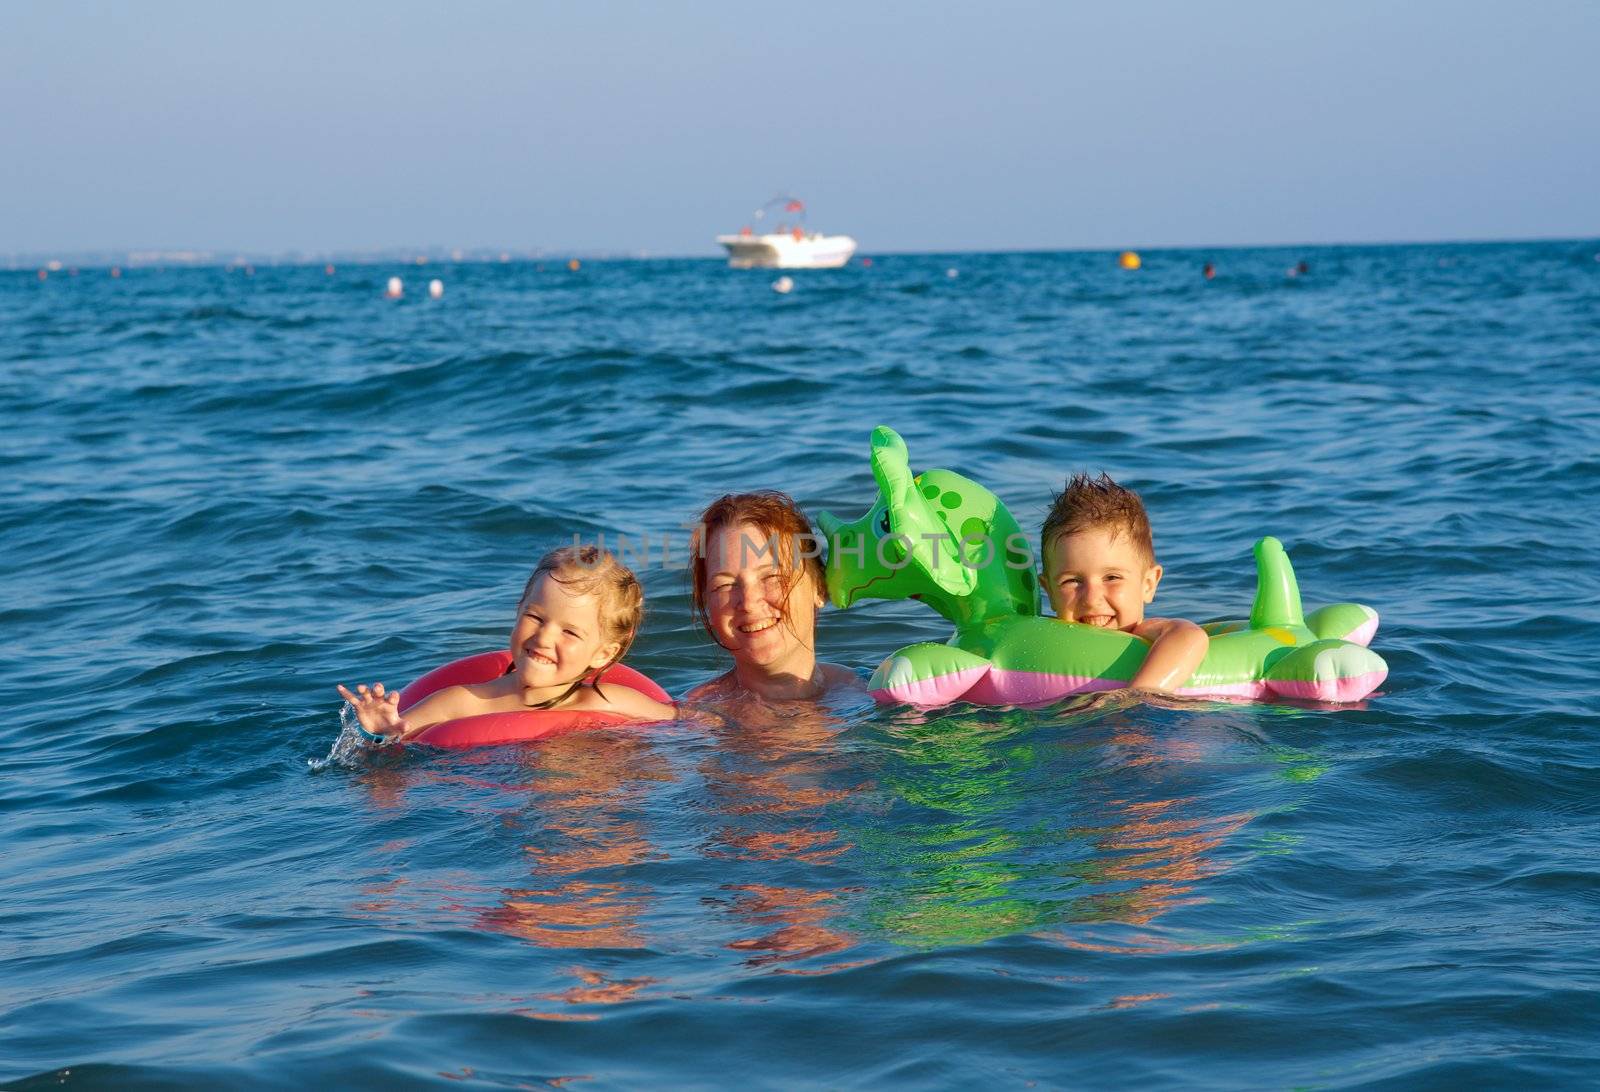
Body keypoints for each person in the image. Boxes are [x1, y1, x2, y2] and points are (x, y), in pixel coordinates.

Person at [338, 544, 674, 742]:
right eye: (536, 618)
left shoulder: (610, 702)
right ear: (518, 611)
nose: (544, 637)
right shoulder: (461, 703)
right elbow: (392, 748)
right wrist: (379, 733)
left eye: (569, 632)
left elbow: (688, 724)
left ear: (604, 652)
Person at [1039, 473, 1208, 693]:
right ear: (1049, 591)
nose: (1091, 599)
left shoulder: (1142, 633)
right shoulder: (1041, 639)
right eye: (1072, 581)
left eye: (1111, 577)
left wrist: (1137, 698)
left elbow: (1190, 636)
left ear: (1148, 584)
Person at [685, 491, 859, 701]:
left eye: (772, 577)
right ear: (707, 605)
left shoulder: (870, 690)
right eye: (725, 585)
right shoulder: (692, 719)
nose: (749, 602)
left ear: (819, 588)